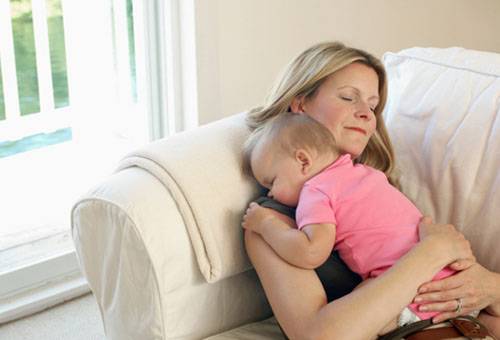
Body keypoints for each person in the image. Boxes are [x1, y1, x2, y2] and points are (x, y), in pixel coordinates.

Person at [241, 41, 500, 339]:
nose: (366, 114)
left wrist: (490, 286)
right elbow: (318, 336)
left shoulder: (372, 182)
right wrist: (432, 252)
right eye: (349, 97)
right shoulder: (271, 222)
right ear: (300, 104)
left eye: (373, 105)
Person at [242, 112, 465, 328]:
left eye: (273, 182)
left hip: (412, 299)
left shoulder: (316, 191)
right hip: (454, 285)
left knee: (359, 311)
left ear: (302, 161)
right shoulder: (366, 173)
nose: (270, 193)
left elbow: (311, 252)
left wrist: (265, 225)